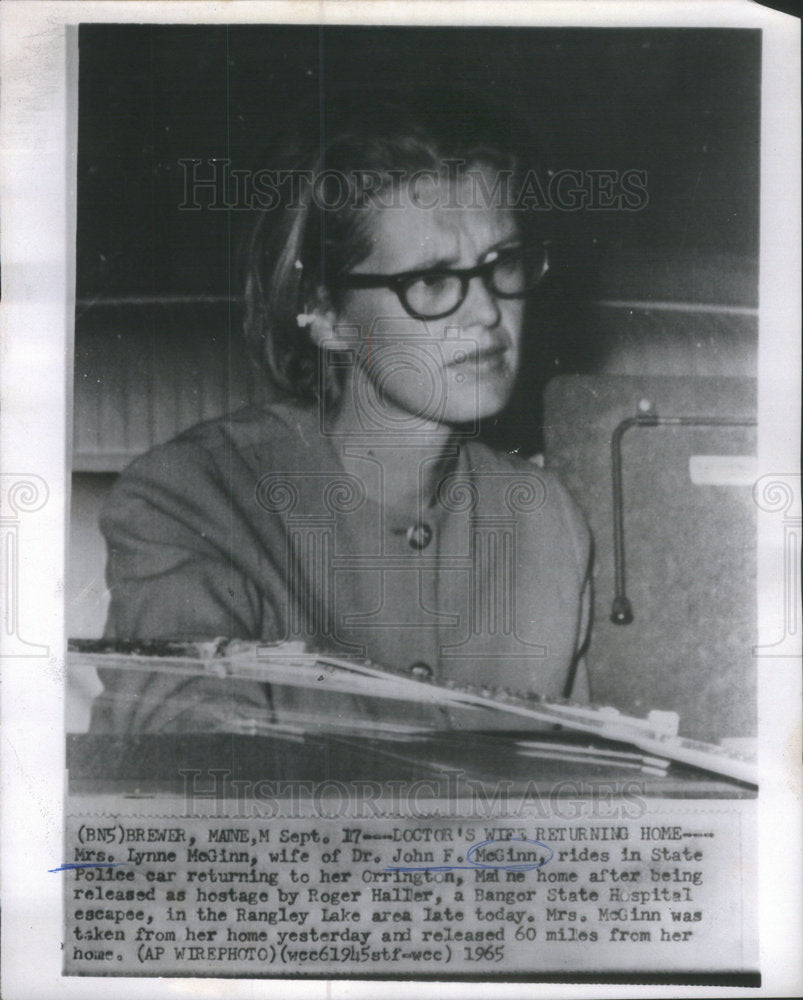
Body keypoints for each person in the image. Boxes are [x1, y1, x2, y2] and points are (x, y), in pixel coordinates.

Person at [90, 86, 592, 734]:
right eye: (432, 280)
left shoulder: (548, 522)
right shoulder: (193, 502)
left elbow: (592, 782)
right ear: (325, 315)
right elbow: (187, 790)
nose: (488, 311)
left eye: (502, 264)